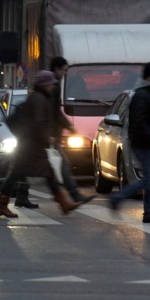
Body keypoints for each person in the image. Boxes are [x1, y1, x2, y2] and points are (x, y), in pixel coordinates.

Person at [0, 70, 82, 218]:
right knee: (29, 173)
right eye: (50, 84)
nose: (53, 87)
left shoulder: (39, 97)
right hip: (31, 146)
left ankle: (64, 203)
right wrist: (48, 137)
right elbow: (39, 122)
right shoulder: (39, 98)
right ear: (44, 85)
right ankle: (64, 203)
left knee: (28, 173)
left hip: (30, 145)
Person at [109, 62, 150, 224]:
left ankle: (148, 212)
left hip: (144, 142)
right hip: (142, 143)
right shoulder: (142, 95)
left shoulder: (146, 94)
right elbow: (139, 122)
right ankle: (119, 197)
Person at [49, 57, 96, 204]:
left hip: (43, 134)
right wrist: (67, 128)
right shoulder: (53, 86)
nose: (65, 73)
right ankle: (74, 196)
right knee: (61, 164)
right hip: (45, 134)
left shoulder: (51, 85)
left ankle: (70, 198)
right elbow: (53, 112)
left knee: (33, 168)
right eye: (64, 69)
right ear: (57, 69)